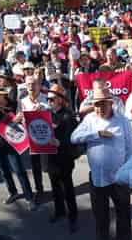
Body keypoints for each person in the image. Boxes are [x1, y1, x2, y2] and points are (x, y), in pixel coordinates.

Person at [71, 87, 132, 240]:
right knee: (101, 218)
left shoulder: (123, 121)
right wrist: (96, 134)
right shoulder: (90, 119)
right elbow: (73, 137)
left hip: (120, 178)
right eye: (96, 104)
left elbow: (131, 149)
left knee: (123, 216)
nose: (98, 108)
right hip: (98, 179)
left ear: (110, 103)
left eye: (102, 104)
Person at [0, 84, 36, 211]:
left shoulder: (13, 104)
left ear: (3, 94)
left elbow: (20, 117)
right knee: (4, 170)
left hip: (12, 141)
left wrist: (17, 119)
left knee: (19, 170)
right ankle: (13, 192)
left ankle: (29, 197)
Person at [46, 84, 79, 233]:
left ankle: (73, 216)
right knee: (55, 187)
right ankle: (59, 211)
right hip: (50, 157)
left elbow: (74, 138)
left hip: (64, 157)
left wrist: (60, 143)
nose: (49, 101)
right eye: (48, 99)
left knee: (67, 189)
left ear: (60, 99)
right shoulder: (45, 114)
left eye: (52, 98)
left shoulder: (69, 116)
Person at [14, 75, 48, 204]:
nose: (31, 87)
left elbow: (55, 116)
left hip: (46, 137)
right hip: (31, 138)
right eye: (28, 84)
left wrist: (44, 110)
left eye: (34, 84)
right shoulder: (22, 101)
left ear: (39, 85)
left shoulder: (46, 100)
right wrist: (18, 118)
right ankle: (39, 189)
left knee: (49, 165)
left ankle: (58, 189)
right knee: (36, 165)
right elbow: (16, 120)